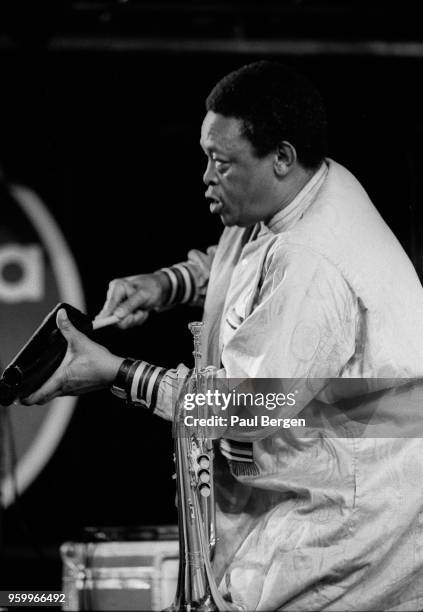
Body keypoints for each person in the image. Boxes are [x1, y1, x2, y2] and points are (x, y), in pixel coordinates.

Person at [22, 61, 423, 610]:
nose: (206, 178)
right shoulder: (309, 186)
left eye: (221, 162)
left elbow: (244, 414)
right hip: (312, 506)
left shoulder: (314, 261)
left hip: (345, 539)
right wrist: (166, 285)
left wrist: (118, 373)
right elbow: (247, 262)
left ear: (281, 157)